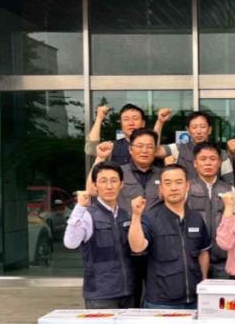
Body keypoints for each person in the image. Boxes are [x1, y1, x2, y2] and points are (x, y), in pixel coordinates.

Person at [128, 164, 210, 309]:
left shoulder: (196, 218)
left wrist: (203, 282)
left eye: (179, 182)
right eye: (168, 183)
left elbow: (203, 252)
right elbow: (137, 247)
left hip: (194, 300)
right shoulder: (150, 218)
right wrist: (136, 216)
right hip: (160, 303)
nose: (173, 188)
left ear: (187, 186)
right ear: (161, 188)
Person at [63, 162, 133, 309]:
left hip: (128, 292)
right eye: (103, 181)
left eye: (114, 181)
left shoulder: (126, 214)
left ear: (121, 184)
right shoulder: (87, 214)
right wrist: (80, 207)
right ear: (94, 185)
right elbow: (70, 243)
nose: (109, 186)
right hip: (100, 295)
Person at [187, 142, 235, 279]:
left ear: (219, 162)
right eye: (203, 159)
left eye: (213, 159)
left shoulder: (229, 190)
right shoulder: (186, 188)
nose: (208, 163)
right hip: (193, 259)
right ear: (195, 163)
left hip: (223, 260)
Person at [158, 111, 234, 184]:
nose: (198, 131)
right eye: (194, 127)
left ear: (210, 130)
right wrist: (160, 122)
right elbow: (155, 151)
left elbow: (229, 184)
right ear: (188, 130)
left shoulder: (221, 154)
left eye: (202, 127)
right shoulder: (178, 148)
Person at [85, 103, 171, 165]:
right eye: (126, 119)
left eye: (135, 118)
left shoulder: (152, 147)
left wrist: (160, 122)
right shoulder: (111, 146)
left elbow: (154, 144)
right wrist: (99, 118)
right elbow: (91, 149)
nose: (131, 123)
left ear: (143, 123)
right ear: (121, 124)